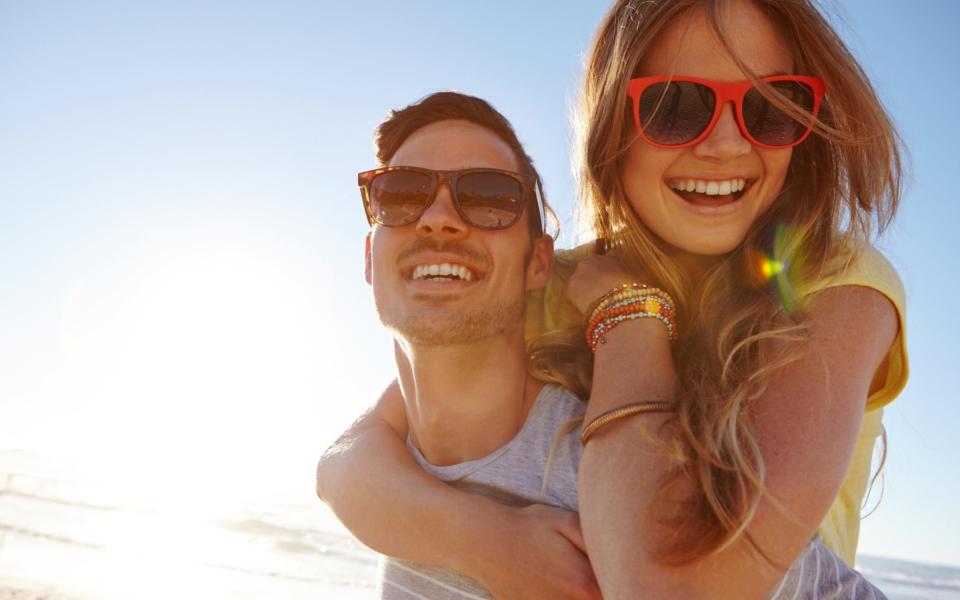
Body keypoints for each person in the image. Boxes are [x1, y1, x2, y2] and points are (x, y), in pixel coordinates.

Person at [318, 0, 907, 597]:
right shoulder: (553, 280)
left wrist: (627, 314)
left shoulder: (836, 285)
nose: (727, 145)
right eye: (677, 107)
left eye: (771, 109)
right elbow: (351, 462)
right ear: (612, 124)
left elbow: (678, 587)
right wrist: (491, 543)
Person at [348, 91, 601, 599]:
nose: (437, 218)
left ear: (538, 263)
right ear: (371, 257)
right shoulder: (391, 469)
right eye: (400, 194)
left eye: (489, 198)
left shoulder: (613, 475)